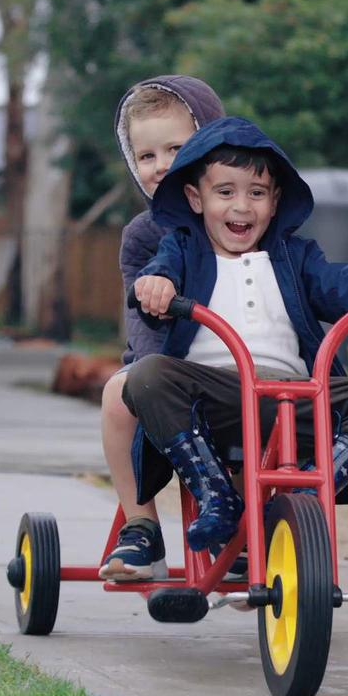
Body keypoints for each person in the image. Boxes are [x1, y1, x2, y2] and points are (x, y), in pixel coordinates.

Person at [113, 116, 348, 570]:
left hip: (293, 401)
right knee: (148, 376)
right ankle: (215, 492)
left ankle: (312, 486)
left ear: (275, 203)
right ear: (196, 199)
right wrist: (155, 285)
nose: (242, 207)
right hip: (214, 398)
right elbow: (159, 272)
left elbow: (337, 282)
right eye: (225, 192)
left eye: (256, 193)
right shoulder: (183, 248)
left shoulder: (295, 256)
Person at [98, 77, 225, 581]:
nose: (162, 165)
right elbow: (143, 327)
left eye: (177, 148)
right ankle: (142, 528)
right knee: (119, 393)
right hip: (166, 365)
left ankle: (250, 528)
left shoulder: (244, 216)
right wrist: (160, 371)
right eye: (146, 155)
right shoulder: (142, 236)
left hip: (238, 367)